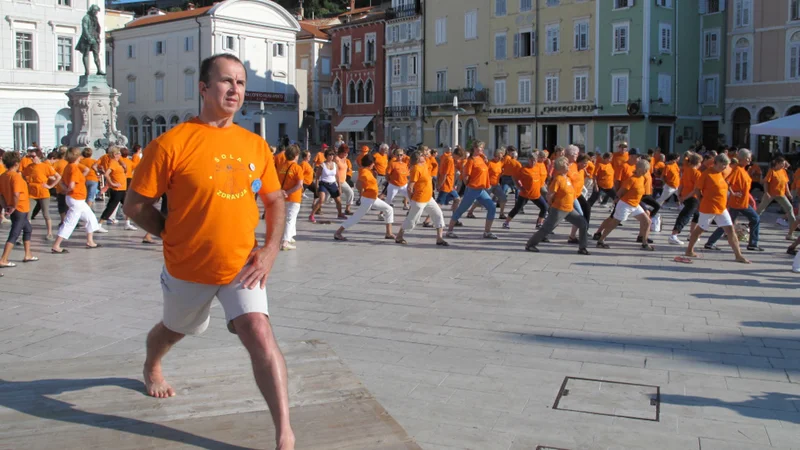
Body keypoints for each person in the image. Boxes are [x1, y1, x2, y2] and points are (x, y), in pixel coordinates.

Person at [123, 53, 294, 450]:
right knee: (174, 329)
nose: (235, 89)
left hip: (242, 264)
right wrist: (169, 233)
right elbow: (134, 206)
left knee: (260, 333)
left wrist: (270, 249)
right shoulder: (171, 143)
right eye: (225, 81)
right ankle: (152, 363)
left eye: (241, 82)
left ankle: (284, 433)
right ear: (203, 88)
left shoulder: (254, 145)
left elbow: (274, 200)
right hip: (187, 265)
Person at [685, 154, 750, 264]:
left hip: (721, 208)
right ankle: (689, 250)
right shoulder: (706, 174)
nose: (725, 167)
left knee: (730, 229)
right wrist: (702, 201)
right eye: (723, 165)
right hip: (709, 207)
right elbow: (697, 190)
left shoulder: (721, 174)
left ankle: (738, 255)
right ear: (716, 163)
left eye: (726, 165)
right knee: (700, 230)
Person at [524, 156, 589, 255]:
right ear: (562, 167)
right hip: (559, 209)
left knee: (583, 224)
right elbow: (550, 194)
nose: (569, 166)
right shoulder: (558, 179)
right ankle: (530, 244)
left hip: (569, 208)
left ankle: (582, 248)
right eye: (567, 165)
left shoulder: (566, 178)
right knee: (547, 228)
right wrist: (550, 206)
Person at [703, 149, 762, 252]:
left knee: (727, 224)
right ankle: (753, 244)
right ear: (742, 158)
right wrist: (733, 193)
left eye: (750, 158)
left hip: (742, 201)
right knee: (755, 219)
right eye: (748, 158)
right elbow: (727, 181)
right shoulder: (737, 170)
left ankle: (710, 242)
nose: (749, 160)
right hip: (738, 202)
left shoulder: (743, 169)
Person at [51, 147, 103, 253]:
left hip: (77, 199)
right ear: (78, 157)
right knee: (70, 222)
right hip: (76, 199)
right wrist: (67, 190)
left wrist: (66, 189)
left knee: (91, 218)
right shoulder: (73, 168)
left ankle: (90, 241)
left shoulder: (69, 166)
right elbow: (71, 185)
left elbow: (62, 181)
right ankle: (56, 245)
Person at [595, 160, 655, 251]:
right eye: (645, 170)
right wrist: (616, 200)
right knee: (613, 224)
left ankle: (644, 243)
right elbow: (620, 192)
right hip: (625, 205)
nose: (646, 172)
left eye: (647, 170)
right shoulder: (632, 179)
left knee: (648, 222)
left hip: (635, 205)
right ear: (639, 169)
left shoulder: (642, 178)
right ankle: (600, 240)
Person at [445, 141, 498, 239]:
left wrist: (485, 159)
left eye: (482, 148)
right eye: (479, 148)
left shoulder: (481, 158)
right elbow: (465, 176)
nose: (481, 150)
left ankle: (487, 232)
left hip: (481, 190)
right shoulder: (471, 161)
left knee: (492, 207)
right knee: (461, 210)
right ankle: (449, 231)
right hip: (473, 189)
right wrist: (468, 185)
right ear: (474, 149)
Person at [394, 150, 448, 246]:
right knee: (412, 221)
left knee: (438, 214)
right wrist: (411, 200)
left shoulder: (424, 164)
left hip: (428, 198)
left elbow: (432, 161)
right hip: (419, 199)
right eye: (423, 155)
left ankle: (439, 238)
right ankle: (399, 236)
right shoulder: (415, 168)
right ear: (418, 159)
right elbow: (410, 187)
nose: (425, 156)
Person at [334, 154, 394, 241]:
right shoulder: (364, 172)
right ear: (370, 163)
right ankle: (338, 233)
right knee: (356, 217)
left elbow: (369, 183)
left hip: (372, 198)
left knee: (389, 209)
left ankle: (388, 233)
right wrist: (362, 193)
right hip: (368, 199)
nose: (374, 165)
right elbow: (358, 184)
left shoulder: (367, 171)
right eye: (373, 163)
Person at [0, 151, 37, 268]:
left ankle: (28, 254)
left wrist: (6, 205)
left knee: (28, 229)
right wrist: (14, 206)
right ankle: (4, 259)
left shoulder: (3, 176)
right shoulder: (16, 176)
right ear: (16, 163)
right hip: (19, 207)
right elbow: (16, 193)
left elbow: (1, 195)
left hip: (14, 207)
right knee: (14, 233)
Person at [503, 150, 547, 229]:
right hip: (525, 194)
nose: (533, 163)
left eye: (535, 161)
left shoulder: (537, 167)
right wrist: (519, 187)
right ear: (528, 160)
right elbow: (514, 177)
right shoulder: (524, 169)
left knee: (544, 207)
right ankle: (506, 222)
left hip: (536, 193)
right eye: (531, 161)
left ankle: (539, 223)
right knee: (517, 209)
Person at [23, 149, 60, 240]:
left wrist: (50, 186)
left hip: (43, 191)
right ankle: (27, 233)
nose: (31, 158)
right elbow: (23, 175)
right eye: (30, 156)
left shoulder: (45, 166)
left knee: (46, 213)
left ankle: (50, 233)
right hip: (32, 193)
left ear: (39, 156)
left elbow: (58, 177)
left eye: (33, 156)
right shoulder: (29, 166)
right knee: (28, 214)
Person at [757, 157, 796, 240]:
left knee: (790, 209)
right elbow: (766, 182)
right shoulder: (771, 171)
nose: (784, 165)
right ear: (777, 163)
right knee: (760, 210)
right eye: (782, 163)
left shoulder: (783, 171)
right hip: (770, 194)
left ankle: (790, 234)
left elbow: (785, 183)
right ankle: (751, 226)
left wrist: (788, 194)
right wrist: (766, 192)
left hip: (781, 194)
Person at [668, 153, 703, 246]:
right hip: (692, 198)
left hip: (685, 196)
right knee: (685, 216)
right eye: (701, 162)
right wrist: (684, 197)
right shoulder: (697, 173)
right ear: (698, 163)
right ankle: (673, 235)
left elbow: (681, 184)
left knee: (697, 215)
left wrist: (679, 195)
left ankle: (692, 234)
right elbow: (696, 190)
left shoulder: (687, 171)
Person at [99, 147, 137, 230]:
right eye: (119, 153)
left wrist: (123, 165)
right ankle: (99, 224)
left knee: (128, 206)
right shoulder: (113, 162)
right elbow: (106, 174)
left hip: (122, 189)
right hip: (117, 190)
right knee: (111, 207)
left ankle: (127, 223)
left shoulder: (117, 162)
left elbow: (126, 170)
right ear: (114, 154)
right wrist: (112, 183)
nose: (120, 155)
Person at [277, 145, 304, 251]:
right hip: (293, 196)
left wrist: (282, 191)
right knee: (290, 219)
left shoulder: (282, 166)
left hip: (282, 196)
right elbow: (299, 185)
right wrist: (288, 192)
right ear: (296, 155)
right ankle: (285, 242)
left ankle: (291, 236)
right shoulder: (297, 168)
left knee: (287, 218)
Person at [309, 148, 344, 223]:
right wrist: (317, 187)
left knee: (338, 201)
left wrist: (339, 187)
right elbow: (317, 177)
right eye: (329, 155)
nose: (331, 156)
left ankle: (340, 214)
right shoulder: (322, 165)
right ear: (326, 156)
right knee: (321, 199)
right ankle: (312, 215)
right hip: (324, 183)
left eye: (332, 155)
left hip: (333, 183)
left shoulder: (335, 165)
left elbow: (337, 176)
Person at [334, 146, 354, 216]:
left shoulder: (345, 158)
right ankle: (318, 206)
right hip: (335, 181)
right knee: (327, 197)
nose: (346, 154)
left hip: (343, 181)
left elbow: (344, 167)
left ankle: (347, 209)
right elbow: (334, 170)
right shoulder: (336, 159)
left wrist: (347, 169)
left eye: (346, 153)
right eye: (344, 152)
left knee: (350, 193)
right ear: (340, 152)